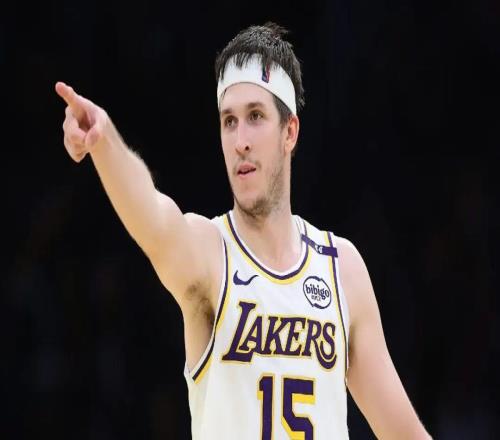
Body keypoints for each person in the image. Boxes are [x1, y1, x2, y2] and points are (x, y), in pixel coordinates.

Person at [56, 22, 431, 440]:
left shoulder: (341, 268)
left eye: (255, 117)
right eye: (229, 121)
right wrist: (104, 141)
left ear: (290, 132)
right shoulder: (211, 254)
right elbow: (151, 214)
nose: (240, 141)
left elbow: (404, 433)